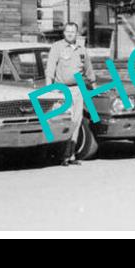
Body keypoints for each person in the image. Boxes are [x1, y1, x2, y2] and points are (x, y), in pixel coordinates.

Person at [45, 21, 96, 166]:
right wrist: (50, 90)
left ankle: (71, 154)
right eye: (67, 31)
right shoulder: (57, 47)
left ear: (77, 33)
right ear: (63, 32)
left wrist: (93, 84)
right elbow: (50, 69)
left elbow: (89, 69)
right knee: (63, 121)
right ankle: (60, 155)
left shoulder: (81, 49)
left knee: (76, 121)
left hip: (78, 90)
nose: (69, 34)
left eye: (72, 32)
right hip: (61, 90)